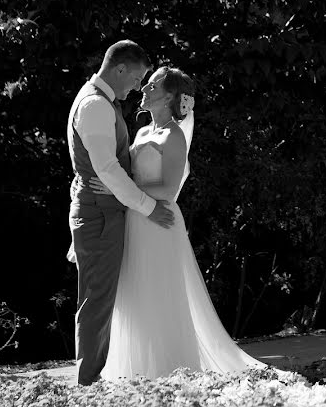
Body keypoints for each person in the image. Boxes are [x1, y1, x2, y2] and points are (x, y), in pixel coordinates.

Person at [90, 66, 265, 379]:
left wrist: (122, 188)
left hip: (158, 223)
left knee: (159, 294)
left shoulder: (173, 137)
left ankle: (172, 372)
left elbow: (169, 189)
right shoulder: (143, 131)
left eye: (153, 84)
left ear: (169, 96)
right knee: (135, 296)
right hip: (136, 218)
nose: (144, 87)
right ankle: (135, 372)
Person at [66, 40, 175, 386]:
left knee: (101, 297)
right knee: (97, 299)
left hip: (100, 210)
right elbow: (107, 170)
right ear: (120, 68)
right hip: (99, 216)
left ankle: (93, 378)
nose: (136, 88)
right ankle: (87, 385)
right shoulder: (96, 106)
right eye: (137, 78)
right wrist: (149, 208)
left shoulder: (96, 101)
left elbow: (100, 170)